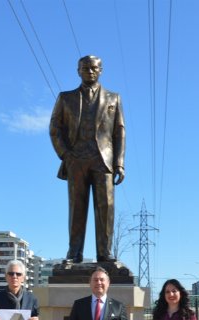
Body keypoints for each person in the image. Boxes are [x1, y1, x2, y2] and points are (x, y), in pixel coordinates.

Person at [50, 55, 125, 265]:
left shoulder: (113, 98)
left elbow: (119, 132)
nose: (89, 72)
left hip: (104, 160)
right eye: (85, 68)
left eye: (93, 68)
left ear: (101, 70)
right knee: (76, 208)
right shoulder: (65, 98)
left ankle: (105, 253)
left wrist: (119, 162)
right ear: (78, 71)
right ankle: (74, 253)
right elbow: (55, 129)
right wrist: (66, 155)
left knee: (106, 207)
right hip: (76, 159)